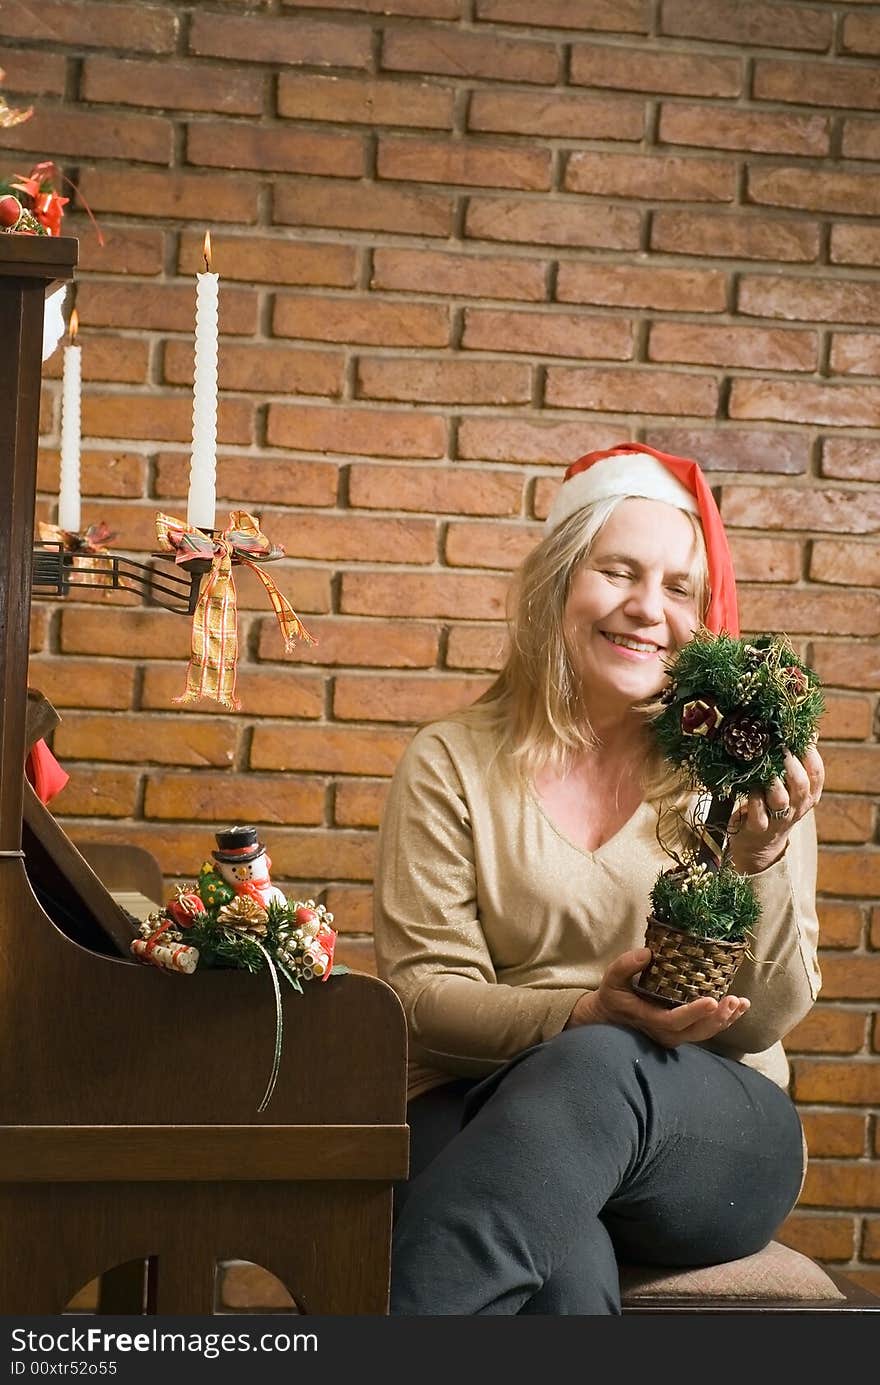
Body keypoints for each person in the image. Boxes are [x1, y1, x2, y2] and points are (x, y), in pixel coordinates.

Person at [373, 442, 824, 1316]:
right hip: (483, 1101)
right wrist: (582, 1011)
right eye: (617, 571)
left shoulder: (741, 769)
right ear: (556, 586)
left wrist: (756, 864)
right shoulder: (452, 762)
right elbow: (422, 998)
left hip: (705, 1131)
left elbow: (766, 1017)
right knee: (562, 1262)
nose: (648, 609)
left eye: (679, 587)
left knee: (596, 1068)